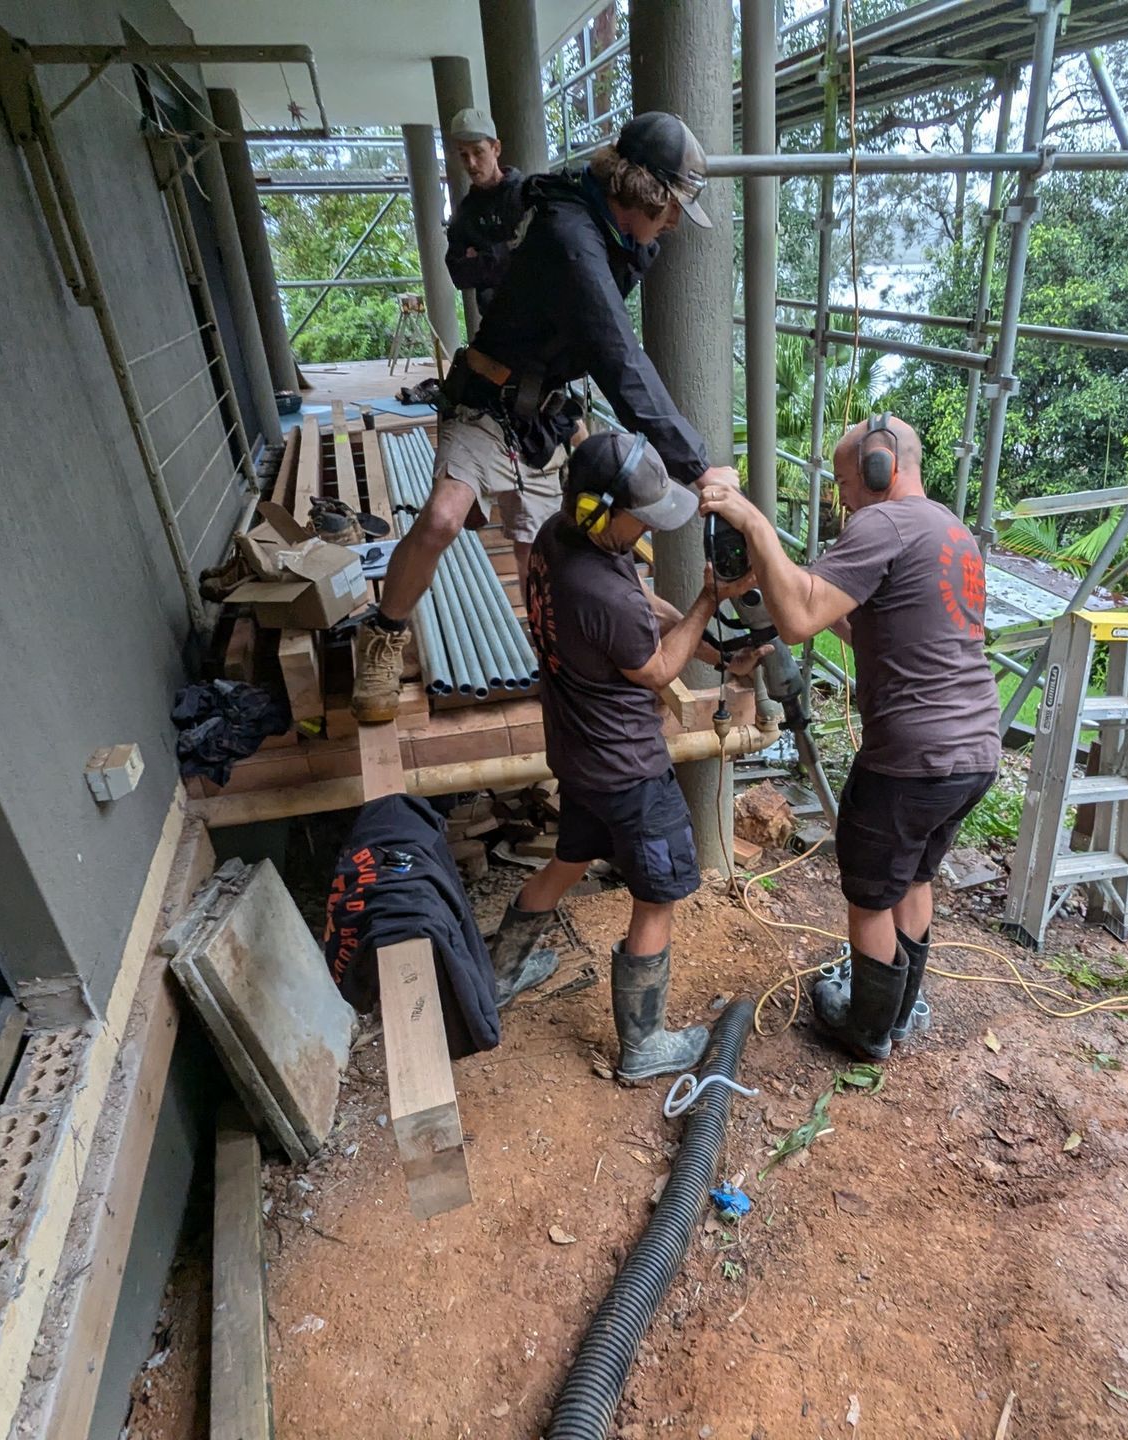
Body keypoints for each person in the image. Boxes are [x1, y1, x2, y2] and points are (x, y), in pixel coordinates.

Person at [351, 110, 738, 724]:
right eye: (669, 210)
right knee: (443, 519)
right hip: (484, 398)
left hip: (542, 413)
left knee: (545, 559)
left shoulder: (621, 237)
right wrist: (698, 466)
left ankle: (560, 663)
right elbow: (618, 354)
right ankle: (382, 632)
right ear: (646, 194)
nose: (670, 225)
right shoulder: (569, 234)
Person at [698, 415, 1003, 1060]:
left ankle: (866, 1031)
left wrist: (754, 525)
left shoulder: (882, 522)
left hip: (909, 758)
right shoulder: (952, 532)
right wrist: (770, 607)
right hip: (972, 751)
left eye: (844, 482)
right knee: (912, 878)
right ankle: (902, 1010)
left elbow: (805, 613)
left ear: (879, 468)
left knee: (867, 894)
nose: (841, 500)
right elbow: (868, 621)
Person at [486, 430, 766, 1081]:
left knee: (567, 858)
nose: (648, 526)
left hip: (579, 754)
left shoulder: (560, 538)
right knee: (655, 899)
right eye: (639, 516)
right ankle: (642, 1048)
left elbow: (645, 612)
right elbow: (655, 661)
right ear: (597, 510)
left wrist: (719, 652)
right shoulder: (598, 588)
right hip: (629, 773)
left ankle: (505, 969)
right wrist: (711, 601)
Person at [441, 107, 525, 314]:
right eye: (463, 155)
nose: (471, 163)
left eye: (478, 152)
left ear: (496, 149)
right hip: (496, 325)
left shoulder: (526, 195)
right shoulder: (465, 213)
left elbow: (539, 259)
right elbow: (458, 274)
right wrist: (508, 248)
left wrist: (481, 257)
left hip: (541, 324)